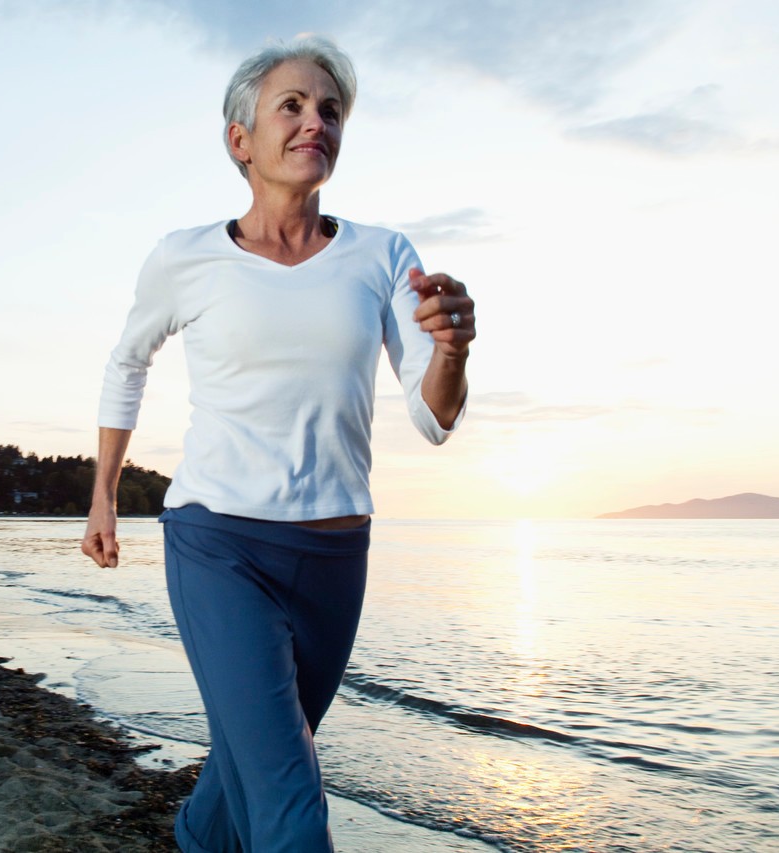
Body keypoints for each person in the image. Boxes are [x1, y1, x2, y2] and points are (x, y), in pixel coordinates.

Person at [81, 35, 475, 852]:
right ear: (241, 140)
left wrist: (454, 350)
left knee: (243, 772)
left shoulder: (382, 255)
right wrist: (104, 497)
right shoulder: (185, 257)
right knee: (292, 807)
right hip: (219, 545)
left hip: (335, 559)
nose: (313, 123)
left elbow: (434, 419)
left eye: (329, 110)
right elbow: (127, 362)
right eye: (290, 106)